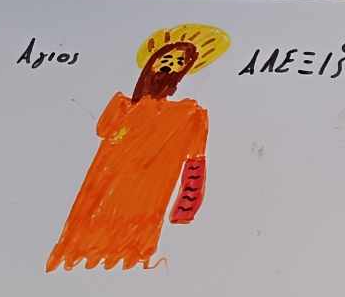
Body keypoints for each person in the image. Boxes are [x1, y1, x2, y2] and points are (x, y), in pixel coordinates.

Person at [46, 23, 228, 271]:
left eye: (179, 63)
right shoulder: (121, 106)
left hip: (146, 204)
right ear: (152, 62)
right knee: (80, 249)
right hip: (100, 194)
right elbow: (104, 130)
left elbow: (195, 164)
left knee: (128, 258)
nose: (170, 66)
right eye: (167, 59)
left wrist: (185, 209)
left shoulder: (190, 114)